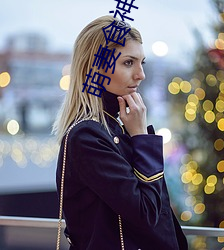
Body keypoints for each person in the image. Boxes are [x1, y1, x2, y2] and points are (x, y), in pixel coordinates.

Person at [53, 15, 188, 250]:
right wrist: (142, 139)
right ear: (94, 68)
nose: (140, 74)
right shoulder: (87, 137)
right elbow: (148, 214)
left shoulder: (114, 127)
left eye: (141, 63)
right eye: (128, 62)